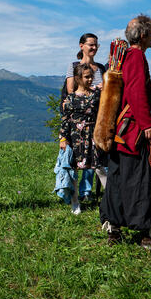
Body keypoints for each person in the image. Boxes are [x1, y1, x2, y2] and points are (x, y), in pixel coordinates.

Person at [99, 15, 151, 252]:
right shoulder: (137, 56)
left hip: (119, 130)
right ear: (144, 34)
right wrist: (148, 124)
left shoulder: (125, 56)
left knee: (117, 180)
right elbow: (136, 93)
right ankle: (147, 236)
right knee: (139, 181)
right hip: (133, 130)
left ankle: (114, 229)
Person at [63, 33, 107, 200]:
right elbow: (71, 91)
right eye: (91, 45)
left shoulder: (101, 68)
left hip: (97, 115)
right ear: (82, 46)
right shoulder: (74, 66)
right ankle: (81, 193)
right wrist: (96, 89)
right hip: (80, 117)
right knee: (79, 156)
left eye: (96, 45)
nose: (94, 48)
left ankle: (87, 191)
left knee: (94, 156)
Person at [59, 64, 108, 214]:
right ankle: (75, 202)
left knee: (99, 167)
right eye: (87, 77)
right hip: (75, 137)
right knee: (74, 169)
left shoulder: (96, 95)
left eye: (91, 76)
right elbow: (65, 119)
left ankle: (112, 199)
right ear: (78, 78)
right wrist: (63, 139)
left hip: (93, 134)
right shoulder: (70, 98)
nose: (90, 79)